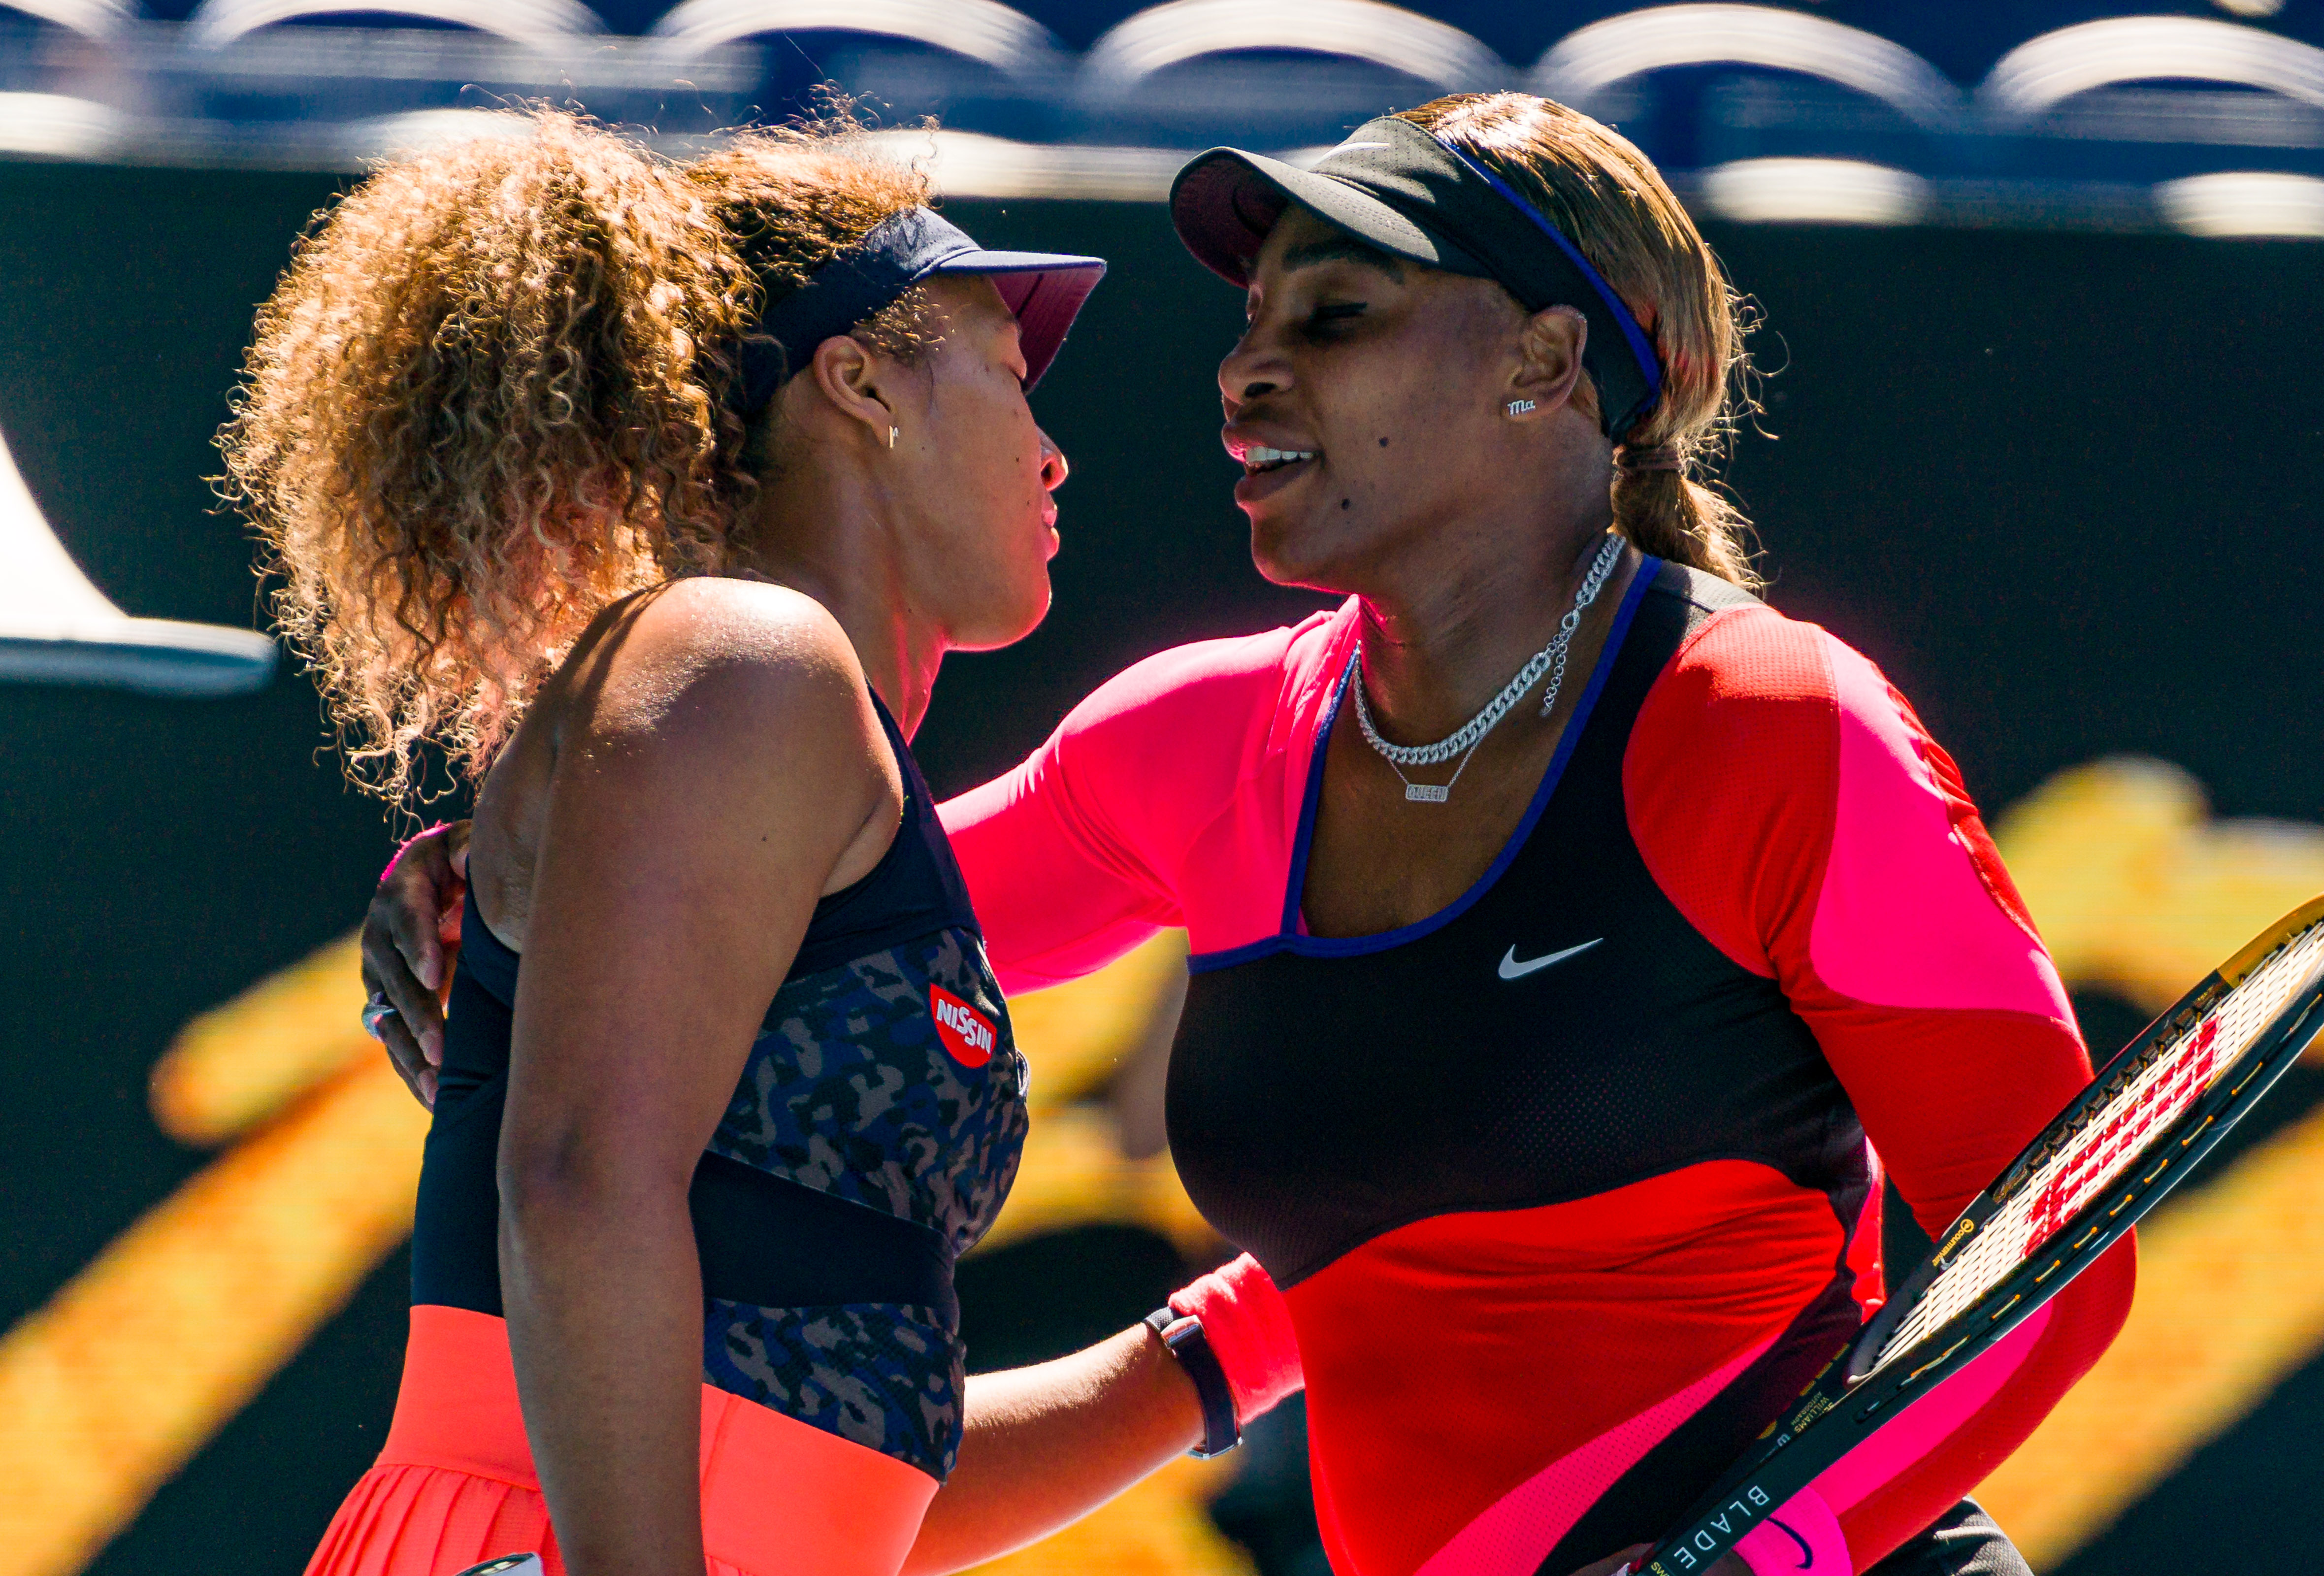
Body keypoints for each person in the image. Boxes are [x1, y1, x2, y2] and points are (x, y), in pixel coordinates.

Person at [363, 95, 2134, 1576]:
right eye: (1249, 323)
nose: (1246, 373)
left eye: (1335, 315)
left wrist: (1769, 1557)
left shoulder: (1778, 727)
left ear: (1546, 362)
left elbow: (2060, 1266)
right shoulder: (1198, 742)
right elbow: (743, 921)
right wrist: (489, 877)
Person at [222, 112, 1259, 1576]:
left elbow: (852, 1476)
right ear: (862, 382)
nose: (1054, 456)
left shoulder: (763, 716)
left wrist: (1258, 1333)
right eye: (1015, 385)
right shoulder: (746, 658)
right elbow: (578, 1184)